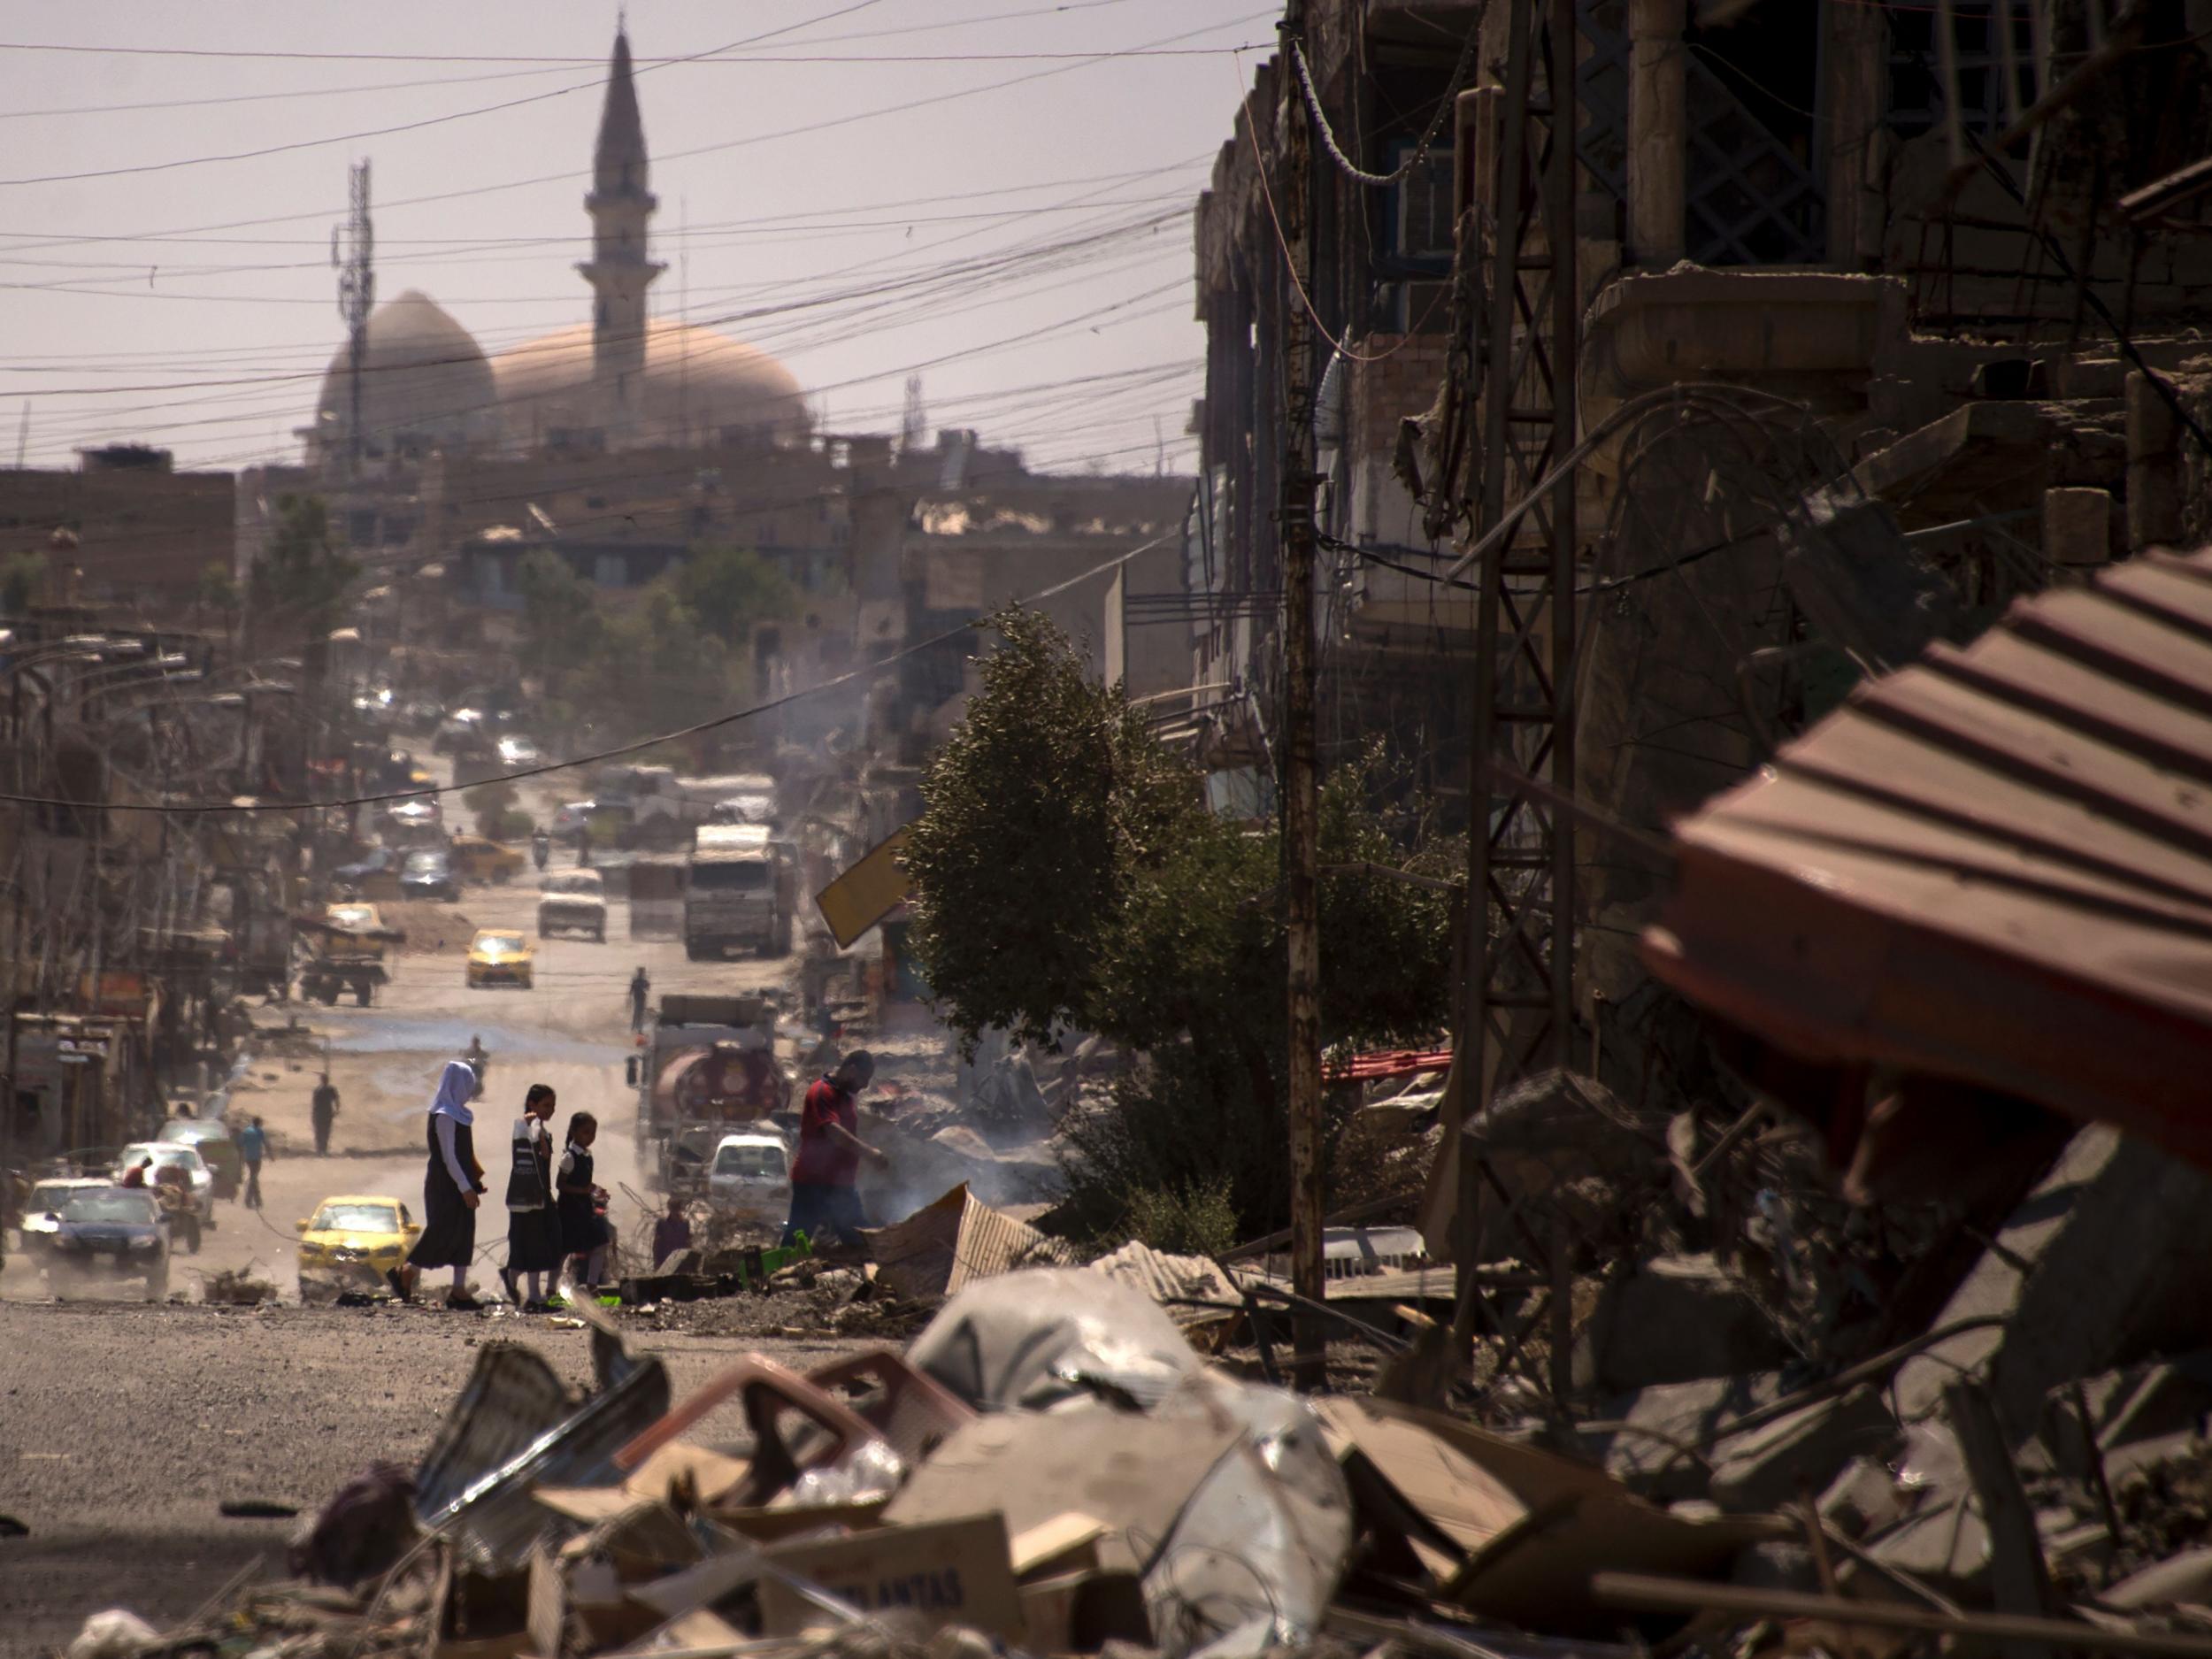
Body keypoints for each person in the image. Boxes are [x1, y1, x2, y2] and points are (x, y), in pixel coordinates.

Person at [392, 1060, 488, 1309]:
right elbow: (448, 1157)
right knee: (442, 1229)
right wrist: (464, 1186)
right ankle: (408, 1271)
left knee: (465, 1231)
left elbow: (466, 1154)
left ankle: (458, 1289)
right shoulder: (444, 1115)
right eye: (468, 1084)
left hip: (461, 1182)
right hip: (445, 1184)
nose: (470, 1089)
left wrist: (473, 1182)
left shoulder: (461, 1114)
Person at [781, 1050, 887, 1252]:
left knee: (858, 1239)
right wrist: (870, 1154)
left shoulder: (844, 1097)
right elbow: (833, 1132)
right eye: (864, 1079)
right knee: (795, 1241)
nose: (864, 1086)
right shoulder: (821, 1092)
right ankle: (768, 1276)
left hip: (840, 1185)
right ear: (851, 1070)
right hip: (814, 1183)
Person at [502, 1083, 563, 1311]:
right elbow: (541, 1153)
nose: (551, 1110)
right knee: (530, 1246)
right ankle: (534, 1295)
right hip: (525, 1199)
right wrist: (534, 1125)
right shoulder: (522, 1127)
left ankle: (514, 1276)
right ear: (532, 1105)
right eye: (546, 1105)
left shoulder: (540, 1129)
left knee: (548, 1243)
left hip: (542, 1196)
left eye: (553, 1106)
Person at [556, 1112, 611, 1297]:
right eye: (586, 1132)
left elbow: (585, 1183)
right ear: (574, 1132)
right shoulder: (570, 1157)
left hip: (584, 1209)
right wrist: (584, 1191)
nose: (590, 1137)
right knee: (563, 1251)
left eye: (593, 1133)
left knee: (600, 1243)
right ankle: (550, 1289)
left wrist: (597, 1190)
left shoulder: (587, 1156)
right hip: (569, 1210)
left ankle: (592, 1285)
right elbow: (560, 1184)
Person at [651, 1194, 692, 1269]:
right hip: (665, 1261)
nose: (675, 1212)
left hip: (680, 1262)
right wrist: (656, 1262)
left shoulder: (685, 1224)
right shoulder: (662, 1223)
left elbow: (688, 1243)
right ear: (669, 1208)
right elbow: (657, 1245)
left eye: (676, 1209)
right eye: (673, 1209)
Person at [236, 1116, 269, 1210]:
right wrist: (270, 1155)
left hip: (248, 1158)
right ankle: (251, 1200)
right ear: (259, 1123)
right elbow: (265, 1143)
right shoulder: (259, 1131)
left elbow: (240, 1144)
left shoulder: (246, 1131)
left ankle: (255, 1200)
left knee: (253, 1177)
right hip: (256, 1158)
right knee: (253, 1178)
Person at [311, 1074, 341, 1156]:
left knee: (326, 1132)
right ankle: (319, 1150)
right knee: (318, 1132)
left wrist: (337, 1110)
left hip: (327, 1113)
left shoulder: (331, 1089)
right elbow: (314, 1103)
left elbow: (336, 1099)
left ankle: (324, 1150)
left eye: (325, 1079)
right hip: (319, 1113)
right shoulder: (317, 1090)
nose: (324, 1081)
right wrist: (313, 1114)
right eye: (323, 1079)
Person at [628, 967, 651, 1034]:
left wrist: (648, 983)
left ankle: (636, 1029)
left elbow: (647, 988)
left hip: (641, 999)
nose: (642, 974)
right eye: (641, 972)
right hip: (638, 999)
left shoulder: (641, 981)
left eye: (642, 972)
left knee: (639, 1014)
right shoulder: (637, 981)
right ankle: (634, 1028)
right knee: (637, 1014)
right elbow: (631, 991)